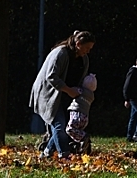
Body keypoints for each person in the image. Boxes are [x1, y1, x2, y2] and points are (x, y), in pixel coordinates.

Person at [30, 30, 96, 160]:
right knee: (60, 125)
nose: (88, 51)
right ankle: (64, 156)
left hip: (66, 97)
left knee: (66, 126)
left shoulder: (84, 60)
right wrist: (69, 90)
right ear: (78, 44)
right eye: (87, 48)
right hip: (49, 95)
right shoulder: (60, 53)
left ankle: (47, 153)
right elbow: (51, 76)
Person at [66, 73, 97, 154]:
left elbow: (72, 91)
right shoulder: (91, 96)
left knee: (70, 129)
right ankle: (79, 146)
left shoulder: (81, 91)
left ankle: (84, 137)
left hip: (77, 114)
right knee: (77, 131)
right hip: (85, 117)